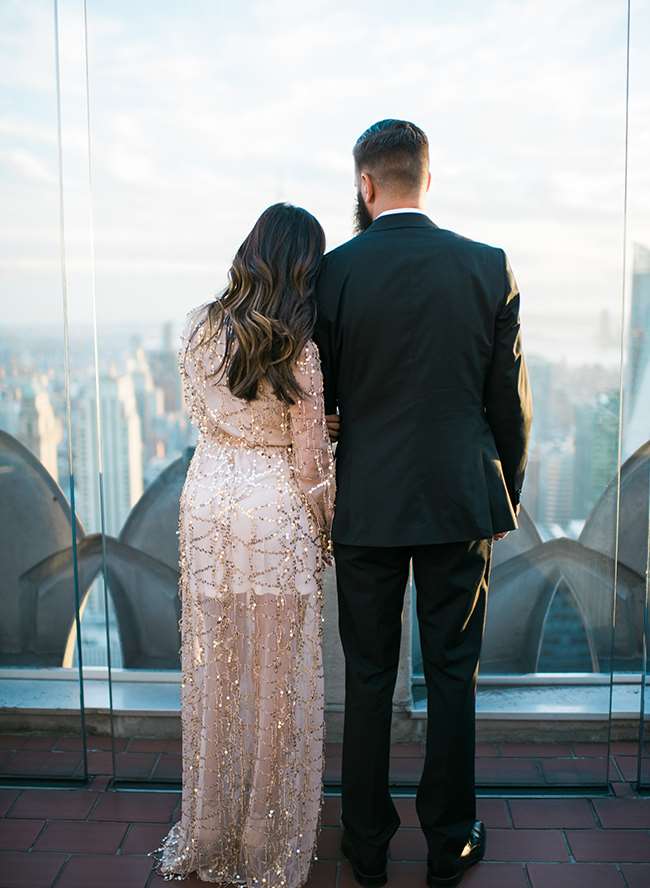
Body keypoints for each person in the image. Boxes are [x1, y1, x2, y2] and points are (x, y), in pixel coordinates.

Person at [315, 119, 533, 887]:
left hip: (369, 501)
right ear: (426, 179)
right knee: (452, 672)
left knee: (369, 674)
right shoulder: (487, 267)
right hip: (456, 500)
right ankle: (449, 838)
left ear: (365, 185)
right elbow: (508, 406)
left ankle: (365, 845)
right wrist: (501, 488)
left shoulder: (333, 272)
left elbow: (325, 395)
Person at [151, 203, 336, 887]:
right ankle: (264, 840)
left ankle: (210, 829)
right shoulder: (300, 350)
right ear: (302, 270)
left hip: (205, 508)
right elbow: (312, 464)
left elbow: (205, 416)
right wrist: (326, 531)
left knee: (217, 676)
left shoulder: (196, 330)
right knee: (275, 685)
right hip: (275, 513)